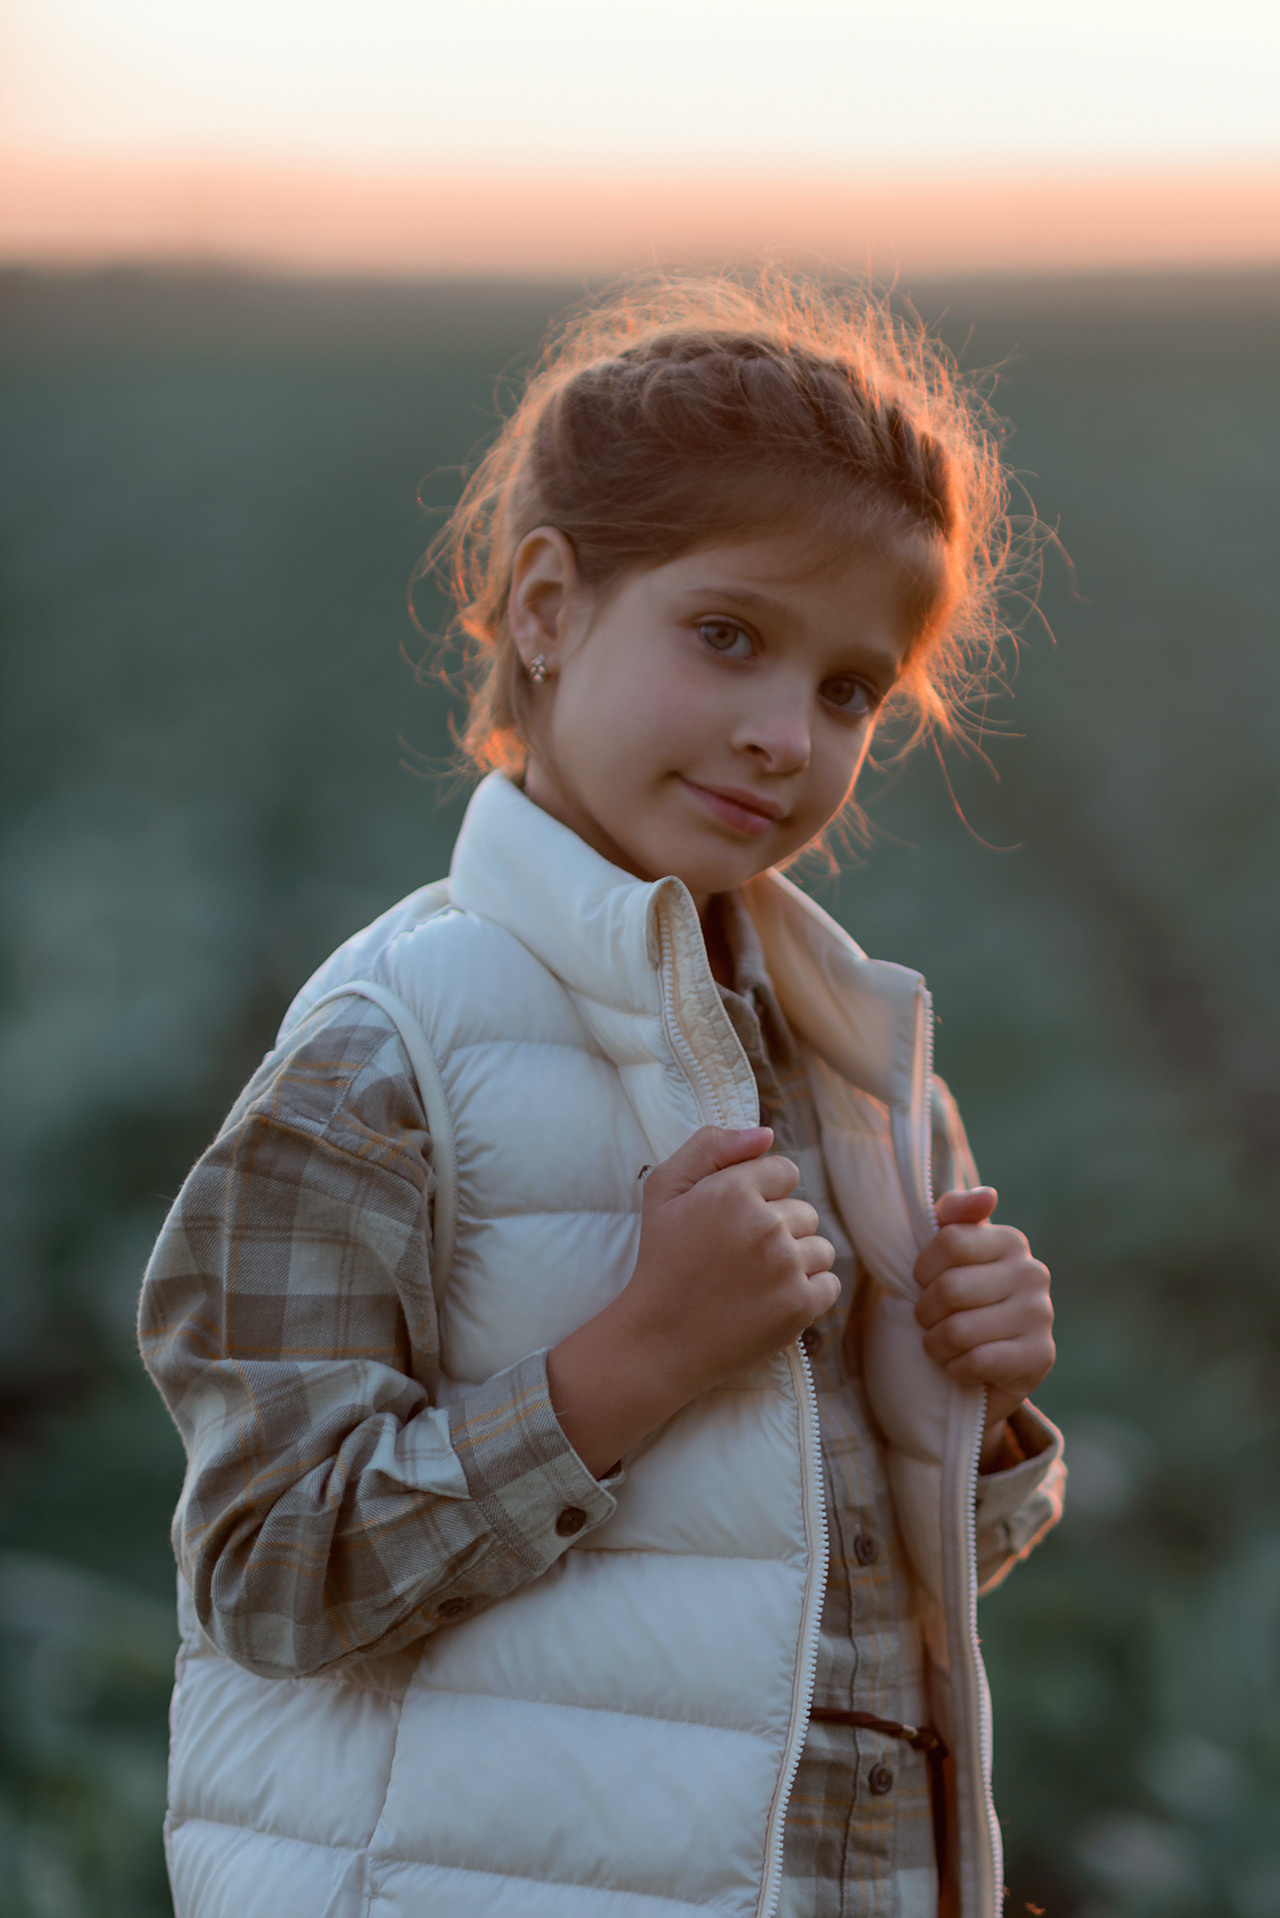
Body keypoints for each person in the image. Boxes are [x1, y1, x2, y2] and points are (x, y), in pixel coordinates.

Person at [139, 272, 1066, 1918]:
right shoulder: (387, 1051)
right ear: (549, 606)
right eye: (728, 637)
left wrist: (973, 1405)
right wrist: (631, 1361)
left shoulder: (861, 1065)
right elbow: (265, 1574)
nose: (787, 733)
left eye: (852, 689)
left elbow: (805, 1591)